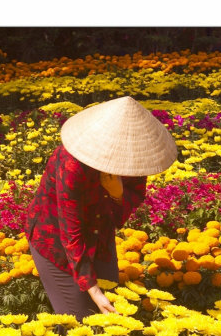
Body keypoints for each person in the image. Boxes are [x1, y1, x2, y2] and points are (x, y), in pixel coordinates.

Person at [24, 96, 177, 322]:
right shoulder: (72, 163)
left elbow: (117, 219)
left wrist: (117, 194)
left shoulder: (134, 162)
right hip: (55, 240)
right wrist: (93, 290)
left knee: (111, 313)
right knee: (78, 319)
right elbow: (70, 233)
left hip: (100, 235)